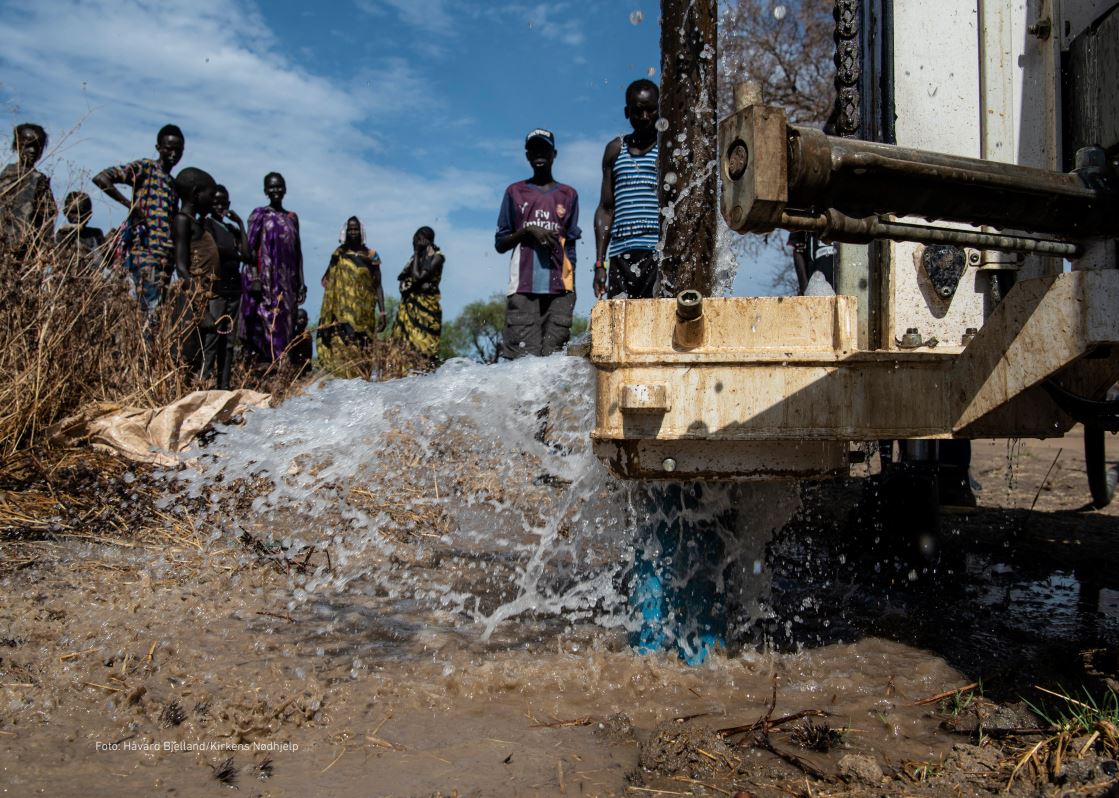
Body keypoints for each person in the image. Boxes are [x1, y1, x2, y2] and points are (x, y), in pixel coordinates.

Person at [494, 128, 580, 358]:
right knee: (523, 362)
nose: (539, 154)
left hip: (560, 291)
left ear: (555, 154)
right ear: (527, 156)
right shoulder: (515, 192)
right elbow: (500, 243)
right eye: (533, 150)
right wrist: (527, 231)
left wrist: (572, 286)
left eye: (544, 149)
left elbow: (571, 243)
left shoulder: (568, 195)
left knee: (556, 362)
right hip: (523, 289)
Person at [93, 124, 184, 314]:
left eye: (178, 150)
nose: (173, 154)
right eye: (168, 149)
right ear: (158, 148)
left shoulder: (173, 184)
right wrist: (130, 206)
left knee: (157, 313)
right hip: (144, 254)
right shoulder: (146, 168)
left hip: (165, 260)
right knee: (147, 312)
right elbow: (102, 178)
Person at [593, 80, 660, 299]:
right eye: (637, 111)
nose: (644, 117)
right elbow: (605, 209)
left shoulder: (668, 148)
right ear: (626, 112)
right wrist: (600, 263)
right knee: (619, 328)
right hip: (621, 256)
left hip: (656, 255)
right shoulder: (615, 150)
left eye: (650, 110)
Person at [241, 172, 305, 365]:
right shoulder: (260, 215)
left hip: (288, 284)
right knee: (267, 324)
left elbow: (298, 252)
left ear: (284, 189)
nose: (275, 190)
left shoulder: (292, 218)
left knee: (286, 325)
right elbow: (250, 251)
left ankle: (282, 370)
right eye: (271, 187)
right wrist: (255, 278)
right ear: (265, 190)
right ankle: (265, 369)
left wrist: (301, 283)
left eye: (279, 186)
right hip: (267, 284)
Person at [317, 216, 385, 379]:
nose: (353, 232)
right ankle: (343, 388)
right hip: (342, 313)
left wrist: (382, 312)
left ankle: (362, 386)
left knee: (363, 349)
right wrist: (327, 316)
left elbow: (378, 284)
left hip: (365, 313)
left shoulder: (372, 255)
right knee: (344, 345)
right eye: (350, 229)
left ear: (361, 232)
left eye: (356, 229)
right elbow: (328, 281)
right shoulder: (339, 254)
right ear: (345, 232)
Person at [201, 185, 251, 388]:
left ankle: (224, 388)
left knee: (228, 343)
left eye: (224, 202)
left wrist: (239, 224)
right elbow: (216, 250)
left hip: (234, 289)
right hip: (216, 289)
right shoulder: (206, 224)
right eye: (216, 201)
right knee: (212, 338)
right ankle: (202, 385)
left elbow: (247, 256)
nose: (220, 205)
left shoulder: (231, 229)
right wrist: (236, 254)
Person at [170, 167, 219, 373]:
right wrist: (201, 307)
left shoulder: (199, 224)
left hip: (201, 298)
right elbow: (181, 267)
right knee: (184, 355)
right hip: (189, 300)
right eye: (210, 195)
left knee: (196, 356)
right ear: (196, 193)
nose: (213, 201)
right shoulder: (182, 221)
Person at [390, 226, 444, 370]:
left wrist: (415, 253)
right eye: (415, 238)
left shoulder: (437, 257)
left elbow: (418, 277)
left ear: (428, 241)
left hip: (427, 310)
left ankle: (424, 376)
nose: (415, 242)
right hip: (409, 309)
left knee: (424, 348)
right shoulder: (414, 259)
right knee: (403, 348)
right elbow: (403, 281)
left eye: (419, 239)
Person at [0, 123, 58, 256]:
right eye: (28, 145)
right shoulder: (5, 176)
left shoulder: (40, 181)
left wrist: (43, 252)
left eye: (37, 147)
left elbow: (47, 219)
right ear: (17, 145)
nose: (32, 151)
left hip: (24, 252)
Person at [55, 191, 105, 262]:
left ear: (89, 215)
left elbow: (107, 260)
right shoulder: (61, 235)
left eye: (82, 213)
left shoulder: (96, 234)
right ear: (65, 212)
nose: (78, 217)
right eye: (73, 212)